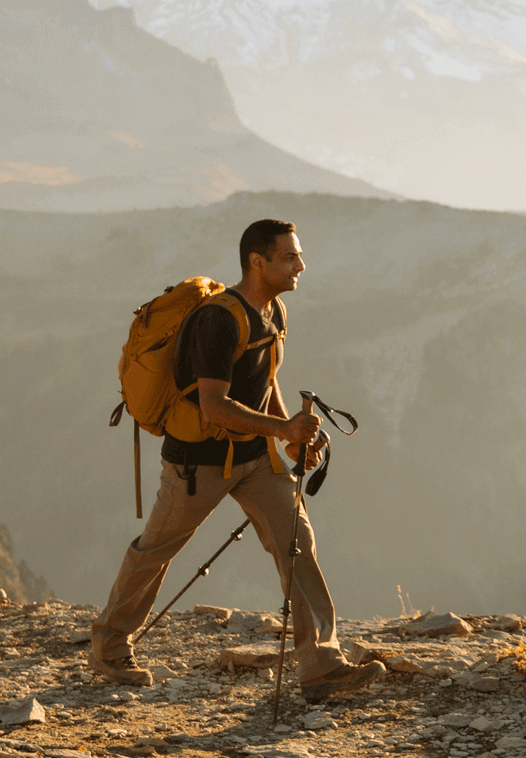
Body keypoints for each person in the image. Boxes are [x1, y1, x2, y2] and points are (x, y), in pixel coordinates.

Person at [90, 219, 385, 704]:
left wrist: (287, 436)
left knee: (297, 545)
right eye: (290, 257)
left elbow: (264, 384)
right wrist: (284, 430)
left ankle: (321, 664)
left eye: (298, 255)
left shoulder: (275, 313)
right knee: (156, 550)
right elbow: (214, 406)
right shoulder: (219, 320)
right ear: (257, 261)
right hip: (197, 464)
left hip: (255, 457)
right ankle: (109, 646)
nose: (300, 265)